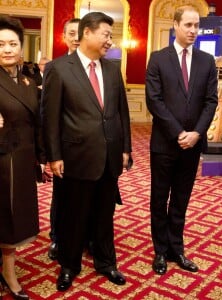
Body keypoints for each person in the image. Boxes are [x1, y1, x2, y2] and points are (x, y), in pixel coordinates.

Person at [41, 12, 132, 291]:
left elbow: (122, 113)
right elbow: (50, 116)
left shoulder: (113, 69)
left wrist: (126, 148)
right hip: (75, 157)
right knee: (74, 215)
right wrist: (53, 155)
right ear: (87, 33)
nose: (110, 40)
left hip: (109, 157)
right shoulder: (59, 68)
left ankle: (106, 263)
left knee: (105, 214)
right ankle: (69, 265)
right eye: (105, 33)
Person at [145, 5, 218, 275]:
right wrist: (178, 133)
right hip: (165, 144)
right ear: (175, 25)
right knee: (159, 198)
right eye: (188, 25)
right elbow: (154, 101)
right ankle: (160, 251)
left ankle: (177, 249)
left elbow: (211, 102)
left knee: (181, 200)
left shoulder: (206, 61)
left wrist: (197, 133)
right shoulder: (158, 59)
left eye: (196, 25)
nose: (193, 31)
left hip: (193, 144)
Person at [0, 15, 46, 299]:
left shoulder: (29, 80)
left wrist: (42, 157)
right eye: (0, 44)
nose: (7, 49)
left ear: (21, 47)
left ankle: (7, 268)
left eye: (12, 43)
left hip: (23, 158)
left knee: (14, 217)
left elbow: (37, 121)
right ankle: (7, 269)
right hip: (2, 157)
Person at [47, 17, 80, 261]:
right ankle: (57, 238)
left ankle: (84, 237)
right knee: (61, 196)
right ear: (64, 36)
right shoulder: (54, 67)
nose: (76, 37)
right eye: (71, 33)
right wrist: (52, 153)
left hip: (91, 149)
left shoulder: (100, 67)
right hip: (65, 147)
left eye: (81, 33)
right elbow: (48, 114)